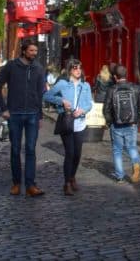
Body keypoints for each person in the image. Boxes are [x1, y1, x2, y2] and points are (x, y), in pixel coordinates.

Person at [0, 40, 47, 197]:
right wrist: (4, 108)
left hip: (33, 114)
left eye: (35, 51)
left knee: (30, 149)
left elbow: (40, 94)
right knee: (15, 149)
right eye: (31, 51)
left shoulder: (38, 68)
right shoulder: (11, 66)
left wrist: (40, 115)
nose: (34, 53)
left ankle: (30, 185)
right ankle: (16, 183)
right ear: (24, 51)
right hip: (14, 114)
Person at [43, 59, 93, 195]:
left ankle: (72, 177)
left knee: (77, 154)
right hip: (66, 121)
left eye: (80, 68)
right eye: (75, 68)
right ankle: (67, 183)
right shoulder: (63, 84)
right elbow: (46, 96)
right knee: (70, 153)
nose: (78, 70)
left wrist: (82, 110)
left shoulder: (85, 85)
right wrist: (61, 101)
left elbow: (89, 103)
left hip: (80, 123)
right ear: (70, 70)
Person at [103, 65, 140, 183]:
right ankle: (136, 165)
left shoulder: (111, 89)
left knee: (117, 150)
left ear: (115, 77)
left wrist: (109, 122)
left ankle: (120, 176)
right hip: (131, 124)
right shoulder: (136, 88)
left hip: (116, 124)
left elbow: (106, 109)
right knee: (132, 147)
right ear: (126, 75)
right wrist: (137, 121)